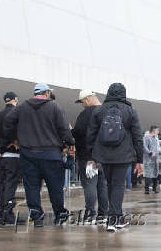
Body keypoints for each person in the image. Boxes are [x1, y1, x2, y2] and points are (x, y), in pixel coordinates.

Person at [3, 83, 75, 227]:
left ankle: (36, 215)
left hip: (28, 154)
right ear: (47, 93)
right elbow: (63, 129)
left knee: (32, 187)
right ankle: (59, 214)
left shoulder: (22, 107)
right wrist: (70, 143)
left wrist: (14, 140)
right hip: (51, 154)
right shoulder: (55, 107)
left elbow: (7, 121)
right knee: (55, 187)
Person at [86, 83, 143, 232]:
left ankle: (117, 216)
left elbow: (90, 134)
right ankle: (114, 219)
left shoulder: (99, 111)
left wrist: (90, 155)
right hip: (123, 155)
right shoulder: (130, 111)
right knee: (118, 185)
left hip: (103, 155)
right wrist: (139, 159)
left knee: (110, 184)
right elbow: (137, 136)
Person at [72, 89, 108, 224]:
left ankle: (90, 214)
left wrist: (71, 131)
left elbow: (78, 132)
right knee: (103, 185)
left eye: (82, 102)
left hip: (88, 156)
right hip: (105, 156)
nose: (82, 105)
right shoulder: (107, 112)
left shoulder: (85, 114)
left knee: (90, 185)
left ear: (87, 99)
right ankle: (103, 214)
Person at [0, 92, 20, 226]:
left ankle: (1, 212)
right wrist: (11, 142)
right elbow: (15, 132)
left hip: (3, 156)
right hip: (14, 156)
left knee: (1, 184)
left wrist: (2, 146)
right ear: (15, 100)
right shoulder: (16, 114)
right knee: (10, 184)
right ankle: (8, 213)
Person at [143, 126, 161, 194]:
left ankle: (154, 188)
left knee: (155, 174)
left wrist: (160, 152)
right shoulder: (146, 137)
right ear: (154, 130)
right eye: (157, 130)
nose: (158, 131)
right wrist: (150, 153)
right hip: (148, 159)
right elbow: (144, 147)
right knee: (148, 174)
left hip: (155, 159)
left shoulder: (156, 139)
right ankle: (146, 189)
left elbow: (157, 148)